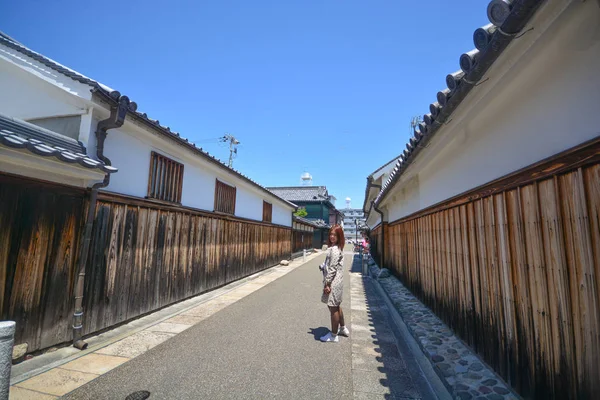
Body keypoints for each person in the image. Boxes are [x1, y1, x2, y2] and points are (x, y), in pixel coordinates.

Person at [320, 224, 350, 343]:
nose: (332, 236)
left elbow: (332, 268)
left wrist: (327, 283)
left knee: (332, 308)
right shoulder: (338, 248)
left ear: (339, 236)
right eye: (331, 234)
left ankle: (333, 335)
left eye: (334, 235)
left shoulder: (335, 250)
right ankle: (342, 328)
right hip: (338, 281)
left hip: (333, 282)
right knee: (336, 306)